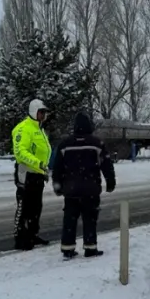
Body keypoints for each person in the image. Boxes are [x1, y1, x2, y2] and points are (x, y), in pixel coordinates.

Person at [49, 111, 116, 260]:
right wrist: (110, 182)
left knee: (69, 219)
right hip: (91, 189)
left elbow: (57, 167)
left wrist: (57, 185)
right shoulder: (97, 144)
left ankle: (67, 248)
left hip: (71, 190)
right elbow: (106, 165)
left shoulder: (64, 144)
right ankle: (90, 247)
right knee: (90, 219)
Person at [12, 99, 52, 249]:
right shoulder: (23, 128)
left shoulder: (39, 129)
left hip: (37, 174)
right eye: (41, 112)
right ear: (34, 112)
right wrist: (38, 163)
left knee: (36, 207)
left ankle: (32, 235)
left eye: (44, 113)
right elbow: (20, 152)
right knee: (24, 206)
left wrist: (43, 169)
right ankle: (20, 238)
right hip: (26, 174)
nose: (43, 115)